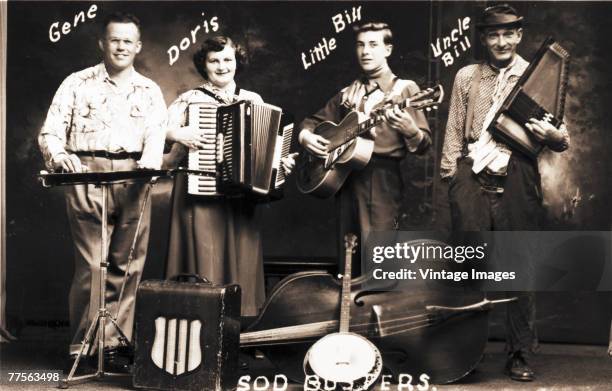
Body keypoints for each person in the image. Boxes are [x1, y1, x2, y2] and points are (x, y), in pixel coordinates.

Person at [440, 4, 570, 382]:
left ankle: (518, 353)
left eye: (508, 34)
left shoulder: (539, 75)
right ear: (484, 38)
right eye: (493, 34)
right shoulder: (467, 76)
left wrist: (552, 136)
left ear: (519, 36)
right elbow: (451, 132)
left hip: (517, 180)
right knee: (468, 267)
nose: (501, 41)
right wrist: (453, 180)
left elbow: (562, 140)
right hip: (472, 179)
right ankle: (466, 352)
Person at [38, 12, 167, 370]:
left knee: (127, 265)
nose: (121, 46)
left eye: (128, 41)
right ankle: (82, 346)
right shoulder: (77, 83)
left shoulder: (150, 90)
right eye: (115, 40)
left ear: (138, 47)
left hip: (134, 177)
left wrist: (150, 166)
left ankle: (113, 347)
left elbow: (156, 134)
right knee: (93, 263)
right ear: (102, 43)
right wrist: (60, 157)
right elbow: (50, 132)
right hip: (85, 174)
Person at [164, 36, 295, 323]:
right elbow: (155, 133)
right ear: (204, 65)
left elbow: (267, 155)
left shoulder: (253, 100)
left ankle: (240, 328)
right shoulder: (189, 100)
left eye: (228, 59)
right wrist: (177, 134)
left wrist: (280, 164)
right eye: (214, 60)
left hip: (240, 199)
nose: (222, 66)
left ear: (237, 63)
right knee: (204, 260)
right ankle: (202, 323)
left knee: (242, 260)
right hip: (198, 192)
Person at [299, 22, 431, 274]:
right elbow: (312, 122)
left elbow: (424, 144)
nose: (365, 51)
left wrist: (410, 130)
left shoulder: (405, 90)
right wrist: (306, 137)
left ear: (388, 49)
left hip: (381, 180)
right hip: (344, 180)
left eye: (373, 44)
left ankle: (377, 312)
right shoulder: (349, 92)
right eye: (360, 45)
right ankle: (350, 313)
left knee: (378, 258)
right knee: (348, 259)